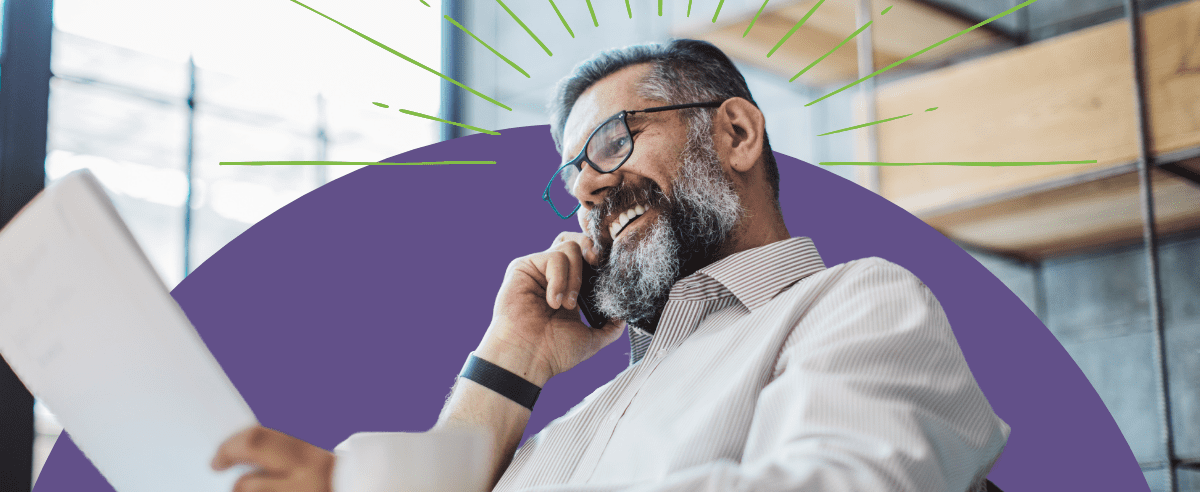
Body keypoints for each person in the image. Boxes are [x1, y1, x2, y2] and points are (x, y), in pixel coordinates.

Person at [212, 39, 1009, 492]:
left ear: (735, 133)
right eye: (573, 175)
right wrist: (513, 359)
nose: (589, 184)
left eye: (613, 142)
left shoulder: (855, 303)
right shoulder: (580, 422)